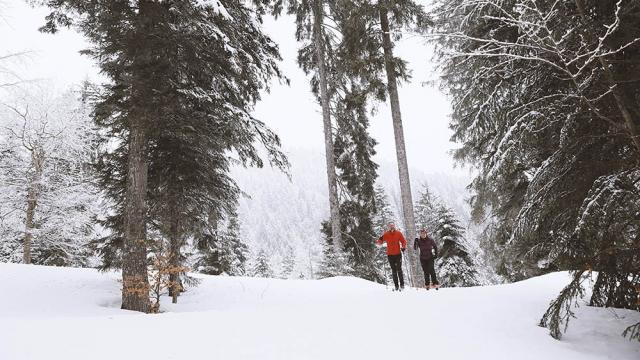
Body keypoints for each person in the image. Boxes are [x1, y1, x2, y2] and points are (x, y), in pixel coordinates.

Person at [375, 222, 407, 291]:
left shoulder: (398, 233)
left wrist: (403, 247)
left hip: (398, 254)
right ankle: (396, 286)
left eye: (393, 226)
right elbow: (380, 241)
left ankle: (402, 285)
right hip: (390, 255)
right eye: (390, 226)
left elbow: (403, 241)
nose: (392, 227)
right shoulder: (386, 234)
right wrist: (379, 240)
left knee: (399, 269)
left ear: (394, 226)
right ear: (389, 227)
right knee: (394, 270)